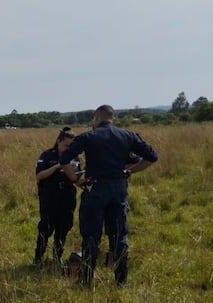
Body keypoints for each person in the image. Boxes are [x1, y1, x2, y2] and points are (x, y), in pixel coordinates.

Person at [60, 105, 158, 286]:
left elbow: (64, 160)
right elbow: (152, 156)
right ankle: (121, 281)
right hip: (118, 190)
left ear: (97, 118)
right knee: (119, 236)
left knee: (90, 236)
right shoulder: (127, 135)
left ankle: (86, 280)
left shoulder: (88, 137)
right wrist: (129, 171)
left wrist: (76, 180)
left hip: (95, 190)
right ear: (112, 118)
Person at [32, 127, 80, 268]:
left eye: (70, 146)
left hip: (67, 196)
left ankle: (56, 258)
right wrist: (57, 167)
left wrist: (74, 170)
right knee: (46, 227)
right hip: (49, 196)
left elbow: (76, 179)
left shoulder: (74, 157)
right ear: (58, 141)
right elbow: (39, 176)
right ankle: (38, 258)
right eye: (65, 145)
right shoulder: (47, 155)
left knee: (63, 226)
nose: (67, 149)